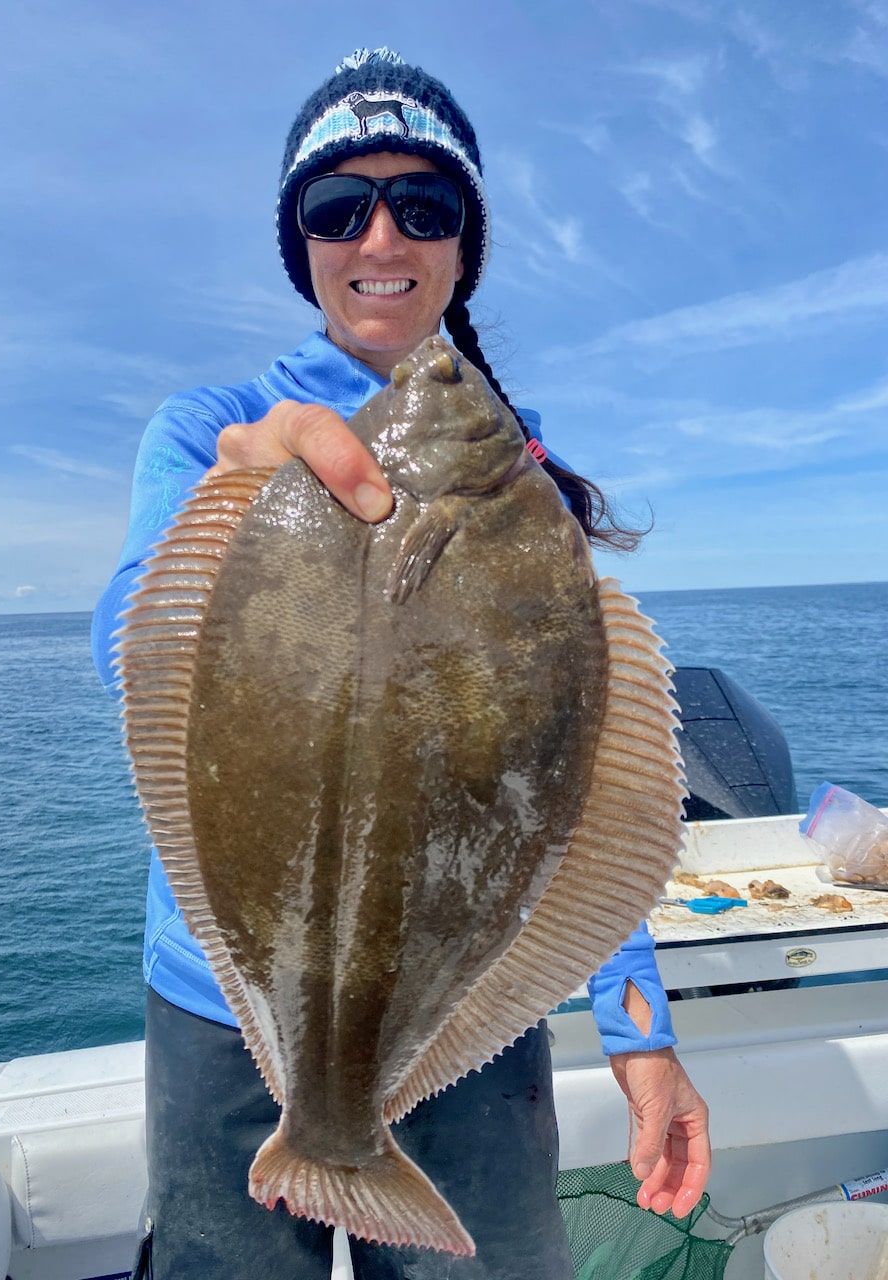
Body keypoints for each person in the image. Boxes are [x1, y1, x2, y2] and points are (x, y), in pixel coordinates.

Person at [93, 46, 710, 1280]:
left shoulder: (525, 485)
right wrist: (235, 498)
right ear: (303, 242)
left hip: (468, 1006)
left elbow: (578, 773)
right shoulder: (216, 432)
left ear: (462, 247)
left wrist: (637, 1024)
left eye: (423, 205)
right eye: (340, 205)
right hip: (224, 1004)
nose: (380, 235)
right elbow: (129, 654)